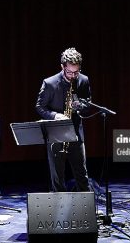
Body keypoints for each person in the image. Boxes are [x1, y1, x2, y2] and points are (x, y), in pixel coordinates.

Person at [36, 48, 91, 192]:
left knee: (82, 175)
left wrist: (80, 106)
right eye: (69, 72)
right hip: (56, 134)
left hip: (76, 133)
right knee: (58, 178)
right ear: (63, 67)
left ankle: (86, 211)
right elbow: (40, 107)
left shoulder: (83, 80)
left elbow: (88, 105)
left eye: (76, 72)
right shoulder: (50, 83)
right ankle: (59, 212)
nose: (73, 76)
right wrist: (55, 115)